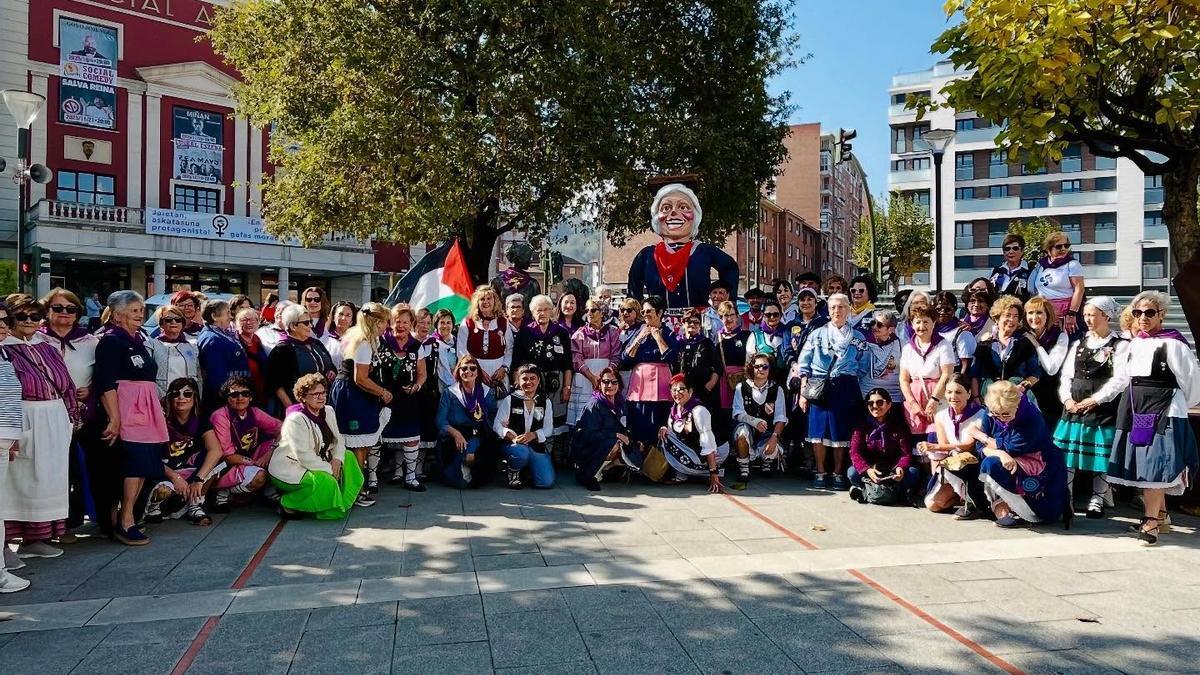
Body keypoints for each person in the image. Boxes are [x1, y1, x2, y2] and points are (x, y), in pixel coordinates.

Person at [1107, 291, 1200, 546]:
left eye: (1149, 312)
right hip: (1137, 409)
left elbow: (1192, 383)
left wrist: (1180, 405)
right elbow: (1124, 377)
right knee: (1144, 464)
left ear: (1161, 314)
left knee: (1155, 465)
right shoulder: (1135, 343)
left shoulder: (1174, 344)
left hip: (1165, 410)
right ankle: (1161, 515)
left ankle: (1150, 521)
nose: (1143, 318)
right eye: (1138, 313)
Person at [93, 291, 163, 546]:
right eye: (133, 310)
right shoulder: (111, 341)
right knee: (132, 465)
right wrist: (114, 417)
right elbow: (105, 382)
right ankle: (124, 521)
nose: (139, 314)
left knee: (143, 464)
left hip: (145, 410)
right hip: (126, 409)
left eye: (141, 310)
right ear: (118, 314)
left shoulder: (138, 339)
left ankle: (129, 515)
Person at [1052, 296, 1127, 519]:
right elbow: (1066, 376)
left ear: (1106, 316)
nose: (1087, 319)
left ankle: (1098, 497)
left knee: (1100, 455)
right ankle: (1067, 496)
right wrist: (1067, 400)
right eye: (1085, 315)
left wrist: (1096, 399)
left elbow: (1120, 379)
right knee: (1067, 455)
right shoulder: (1078, 343)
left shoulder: (1120, 345)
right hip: (1073, 406)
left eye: (1092, 314)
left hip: (1102, 409)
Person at [626, 183, 739, 319]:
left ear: (695, 215)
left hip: (696, 322)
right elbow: (633, 289)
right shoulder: (647, 255)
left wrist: (728, 303)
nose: (674, 213)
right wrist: (638, 314)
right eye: (666, 208)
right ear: (656, 217)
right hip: (660, 322)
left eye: (683, 207)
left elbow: (730, 268)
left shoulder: (703, 251)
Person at [966, 380, 1068, 527]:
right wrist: (1000, 454)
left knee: (1047, 514)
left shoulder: (1032, 419)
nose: (1000, 418)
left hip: (1041, 466)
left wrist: (979, 435)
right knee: (990, 463)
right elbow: (980, 447)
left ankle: (1028, 511)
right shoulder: (991, 414)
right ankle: (1003, 509)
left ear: (1017, 405)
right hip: (1007, 461)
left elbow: (1011, 447)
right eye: (996, 414)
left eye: (1006, 414)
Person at [38, 288, 98, 536]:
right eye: (58, 308)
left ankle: (73, 522)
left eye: (70, 309)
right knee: (50, 473)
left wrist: (91, 391)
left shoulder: (91, 341)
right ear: (47, 311)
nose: (64, 313)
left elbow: (103, 377)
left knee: (79, 472)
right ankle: (47, 527)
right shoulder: (37, 340)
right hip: (47, 417)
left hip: (82, 417)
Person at [797, 293, 868, 490]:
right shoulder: (817, 334)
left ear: (848, 309)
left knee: (841, 431)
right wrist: (803, 391)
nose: (837, 311)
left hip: (846, 386)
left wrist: (849, 377)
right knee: (818, 431)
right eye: (833, 307)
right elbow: (804, 363)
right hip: (820, 385)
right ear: (828, 311)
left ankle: (838, 472)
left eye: (842, 307)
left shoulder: (858, 336)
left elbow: (863, 364)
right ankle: (820, 471)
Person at [269, 374, 365, 520]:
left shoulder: (328, 411)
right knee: (326, 481)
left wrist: (338, 459)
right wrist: (330, 469)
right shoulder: (296, 419)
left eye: (323, 393)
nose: (321, 397)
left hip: (316, 460)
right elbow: (304, 456)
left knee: (348, 457)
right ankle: (287, 504)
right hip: (290, 467)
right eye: (315, 394)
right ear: (303, 397)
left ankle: (341, 502)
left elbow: (338, 439)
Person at [329, 303, 392, 503]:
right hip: (353, 395)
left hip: (354, 393)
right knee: (357, 443)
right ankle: (355, 490)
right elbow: (361, 379)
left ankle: (356, 485)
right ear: (375, 322)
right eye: (384, 321)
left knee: (361, 443)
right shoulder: (364, 342)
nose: (386, 326)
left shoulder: (360, 336)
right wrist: (382, 392)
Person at [148, 377, 222, 525]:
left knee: (217, 462)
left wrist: (199, 479)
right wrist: (175, 477)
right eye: (176, 394)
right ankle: (153, 507)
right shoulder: (160, 420)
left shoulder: (200, 420)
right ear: (169, 398)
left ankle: (195, 504)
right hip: (166, 471)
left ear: (195, 398)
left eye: (187, 394)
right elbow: (150, 456)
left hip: (189, 470)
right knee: (163, 490)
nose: (181, 398)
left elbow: (216, 450)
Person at [917, 373, 988, 517]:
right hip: (953, 463)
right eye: (949, 392)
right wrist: (938, 448)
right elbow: (944, 444)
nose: (953, 396)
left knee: (966, 460)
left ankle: (975, 501)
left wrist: (933, 446)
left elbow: (968, 445)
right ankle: (960, 497)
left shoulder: (980, 414)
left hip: (974, 465)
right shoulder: (941, 416)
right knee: (932, 504)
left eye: (958, 392)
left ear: (968, 394)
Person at [208, 376, 283, 511]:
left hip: (249, 459)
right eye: (234, 394)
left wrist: (270, 452)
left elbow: (283, 428)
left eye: (245, 393)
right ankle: (223, 493)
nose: (240, 398)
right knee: (260, 476)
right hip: (226, 466)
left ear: (251, 397)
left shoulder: (254, 412)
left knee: (283, 448)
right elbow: (228, 456)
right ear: (227, 397)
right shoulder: (220, 416)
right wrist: (256, 463)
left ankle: (268, 491)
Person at [513, 295, 573, 448]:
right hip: (532, 382)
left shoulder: (561, 332)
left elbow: (568, 363)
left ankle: (555, 452)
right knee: (535, 416)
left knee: (557, 417)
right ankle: (536, 449)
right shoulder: (525, 332)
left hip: (557, 382)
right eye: (539, 310)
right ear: (533, 312)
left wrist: (567, 387)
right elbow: (517, 362)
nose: (543, 313)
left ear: (552, 311)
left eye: (546, 309)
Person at [620, 295, 678, 451]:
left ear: (659, 313)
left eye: (649, 311)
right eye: (643, 311)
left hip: (661, 384)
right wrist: (639, 338)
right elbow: (625, 359)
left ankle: (658, 465)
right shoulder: (638, 330)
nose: (645, 315)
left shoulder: (668, 332)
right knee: (638, 423)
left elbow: (672, 357)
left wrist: (658, 337)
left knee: (659, 424)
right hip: (639, 385)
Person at [380, 306, 428, 492]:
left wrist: (416, 386)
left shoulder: (417, 346)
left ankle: (410, 477)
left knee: (411, 437)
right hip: (383, 398)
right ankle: (373, 479)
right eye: (397, 321)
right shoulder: (381, 342)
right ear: (391, 322)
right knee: (376, 438)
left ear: (411, 324)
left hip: (408, 398)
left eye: (405, 322)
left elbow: (422, 374)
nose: (400, 325)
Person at [656, 374, 729, 491]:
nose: (677, 393)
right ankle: (684, 473)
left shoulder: (698, 410)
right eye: (674, 390)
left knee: (668, 439)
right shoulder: (675, 408)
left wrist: (713, 474)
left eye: (681, 389)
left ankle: (708, 471)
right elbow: (674, 431)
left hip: (716, 450)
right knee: (664, 435)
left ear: (690, 391)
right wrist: (665, 428)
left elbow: (708, 442)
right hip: (694, 449)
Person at [848, 389, 920, 504]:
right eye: (871, 403)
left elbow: (906, 454)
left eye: (879, 402)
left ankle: (870, 493)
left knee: (913, 473)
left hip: (892, 469)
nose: (875, 406)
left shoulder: (898, 425)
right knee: (852, 473)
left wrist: (900, 467)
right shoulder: (861, 425)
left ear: (889, 404)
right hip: (871, 468)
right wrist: (867, 470)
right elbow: (855, 452)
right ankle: (872, 491)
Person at [437, 355, 498, 489]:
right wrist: (455, 434)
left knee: (476, 457)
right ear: (458, 371)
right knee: (460, 483)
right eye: (464, 368)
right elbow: (440, 420)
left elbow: (493, 417)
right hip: (455, 435)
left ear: (478, 372)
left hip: (479, 434)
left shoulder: (487, 392)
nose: (468, 371)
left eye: (472, 368)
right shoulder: (450, 392)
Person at [265, 304, 338, 414]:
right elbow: (275, 384)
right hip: (299, 407)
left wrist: (331, 371)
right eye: (306, 323)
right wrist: (292, 409)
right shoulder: (282, 350)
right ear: (293, 326)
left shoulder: (316, 343)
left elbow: (330, 364)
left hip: (323, 404)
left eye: (310, 322)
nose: (310, 326)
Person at [0, 304, 27, 591]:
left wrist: (12, 437)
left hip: (5, 436)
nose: (3, 325)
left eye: (7, 320)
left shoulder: (5, 352)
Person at [731, 353, 788, 488]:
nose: (761, 370)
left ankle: (766, 461)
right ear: (751, 368)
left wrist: (774, 437)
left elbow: (781, 417)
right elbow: (737, 413)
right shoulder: (742, 387)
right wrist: (754, 421)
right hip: (749, 428)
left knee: (774, 449)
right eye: (757, 366)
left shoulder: (777, 389)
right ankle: (744, 466)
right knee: (741, 433)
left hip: (767, 433)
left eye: (764, 366)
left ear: (770, 369)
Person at [494, 364, 556, 489]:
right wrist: (511, 436)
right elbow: (497, 425)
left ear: (538, 380)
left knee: (546, 482)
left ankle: (527, 470)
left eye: (532, 378)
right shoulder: (510, 400)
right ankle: (513, 471)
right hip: (515, 446)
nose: (528, 382)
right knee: (521, 452)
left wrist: (534, 435)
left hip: (535, 446)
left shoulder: (545, 402)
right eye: (524, 379)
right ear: (518, 380)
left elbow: (549, 428)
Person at [898, 308, 955, 438]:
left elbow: (947, 374)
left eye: (926, 322)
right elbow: (904, 379)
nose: (921, 326)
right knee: (916, 440)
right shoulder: (908, 348)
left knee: (936, 437)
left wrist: (934, 400)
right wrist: (912, 403)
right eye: (918, 322)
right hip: (915, 398)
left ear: (933, 323)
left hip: (938, 396)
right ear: (912, 324)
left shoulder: (943, 345)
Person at [570, 366, 629, 491]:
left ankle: (605, 471)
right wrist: (615, 436)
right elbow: (589, 434)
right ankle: (590, 474)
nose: (609, 385)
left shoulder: (620, 402)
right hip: (589, 448)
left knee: (632, 447)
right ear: (599, 383)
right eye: (605, 382)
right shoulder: (594, 404)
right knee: (614, 444)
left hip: (605, 442)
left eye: (614, 382)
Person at [972, 295, 1041, 400]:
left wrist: (1021, 387)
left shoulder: (1024, 343)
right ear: (997, 318)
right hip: (989, 396)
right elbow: (975, 374)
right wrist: (976, 397)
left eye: (1016, 316)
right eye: (1007, 315)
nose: (1012, 320)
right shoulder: (985, 344)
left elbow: (1035, 373)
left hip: (1017, 396)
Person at [569, 298, 622, 428]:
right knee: (583, 419)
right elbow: (576, 358)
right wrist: (592, 377)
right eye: (587, 310)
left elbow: (616, 356)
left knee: (604, 416)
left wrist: (606, 376)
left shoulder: (612, 332)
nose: (589, 313)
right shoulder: (579, 333)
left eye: (593, 310)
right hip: (585, 376)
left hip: (606, 376)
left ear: (602, 312)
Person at [456, 286, 514, 396]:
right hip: (474, 371)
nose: (486, 302)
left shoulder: (503, 322)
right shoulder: (468, 323)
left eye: (489, 299)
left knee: (499, 406)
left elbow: (509, 348)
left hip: (498, 372)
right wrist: (477, 370)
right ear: (477, 302)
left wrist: (504, 368)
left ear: (494, 301)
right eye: (482, 299)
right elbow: (462, 350)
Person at [196, 300, 250, 413]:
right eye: (227, 313)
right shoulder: (212, 339)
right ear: (214, 316)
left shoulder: (221, 334)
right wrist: (230, 397)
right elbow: (217, 376)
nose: (231, 317)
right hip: (224, 401)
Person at [1028, 231, 1085, 335]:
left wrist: (1071, 314)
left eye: (1066, 246)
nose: (1063, 249)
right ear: (1049, 249)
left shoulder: (1072, 265)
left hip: (1065, 314)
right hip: (1044, 311)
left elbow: (1079, 289)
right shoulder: (1041, 265)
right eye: (1059, 246)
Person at [1024, 296, 1070, 424]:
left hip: (1051, 394)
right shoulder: (1022, 335)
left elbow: (1051, 369)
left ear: (1047, 315)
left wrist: (1036, 345)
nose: (1034, 317)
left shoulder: (1060, 336)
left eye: (1039, 312)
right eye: (1030, 313)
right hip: (1028, 392)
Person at [714, 300, 751, 444]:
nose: (728, 319)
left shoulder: (747, 336)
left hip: (742, 380)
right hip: (724, 380)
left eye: (731, 315)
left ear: (737, 316)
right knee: (725, 414)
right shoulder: (717, 338)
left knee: (742, 411)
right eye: (724, 316)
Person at [674, 308, 721, 421]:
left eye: (696, 322)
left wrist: (710, 385)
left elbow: (717, 367)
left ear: (700, 325)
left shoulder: (707, 343)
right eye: (689, 322)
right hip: (684, 390)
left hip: (704, 389)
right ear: (683, 324)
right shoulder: (678, 343)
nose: (692, 324)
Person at [151, 304, 202, 398]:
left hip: (186, 398)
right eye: (168, 320)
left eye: (178, 319)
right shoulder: (152, 345)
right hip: (161, 398)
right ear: (161, 323)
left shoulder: (191, 347)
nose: (173, 322)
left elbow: (198, 376)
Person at [860, 309, 902, 403]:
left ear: (891, 329)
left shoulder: (901, 344)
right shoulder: (863, 343)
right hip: (867, 396)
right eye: (873, 323)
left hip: (893, 397)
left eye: (879, 325)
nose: (874, 327)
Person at [933, 291, 975, 374]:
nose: (942, 312)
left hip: (952, 378)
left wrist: (958, 384)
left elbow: (965, 365)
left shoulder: (963, 332)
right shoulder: (930, 329)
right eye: (938, 309)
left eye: (947, 309)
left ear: (954, 309)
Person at [746, 299, 789, 382]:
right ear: (763, 315)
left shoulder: (787, 333)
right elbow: (748, 363)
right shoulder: (755, 335)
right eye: (768, 315)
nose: (772, 317)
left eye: (776, 314)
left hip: (785, 380)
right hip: (762, 382)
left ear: (781, 315)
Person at [491, 242, 541, 311]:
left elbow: (537, 308)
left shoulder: (533, 284)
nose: (530, 261)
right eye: (528, 257)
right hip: (502, 321)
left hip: (526, 322)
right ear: (519, 259)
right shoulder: (497, 282)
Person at [235, 308, 268, 408]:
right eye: (244, 320)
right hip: (242, 393)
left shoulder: (257, 340)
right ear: (236, 323)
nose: (249, 323)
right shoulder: (234, 342)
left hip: (260, 391)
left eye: (253, 320)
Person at [989, 233, 1032, 301]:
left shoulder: (1031, 271)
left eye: (1015, 248)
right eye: (1007, 249)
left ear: (1022, 251)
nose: (1011, 251)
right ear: (1004, 252)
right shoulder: (996, 271)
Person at [616, 298, 644, 388]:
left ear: (637, 311)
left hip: (634, 371)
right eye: (622, 310)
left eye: (629, 310)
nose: (625, 313)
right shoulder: (618, 330)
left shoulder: (641, 328)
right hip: (618, 372)